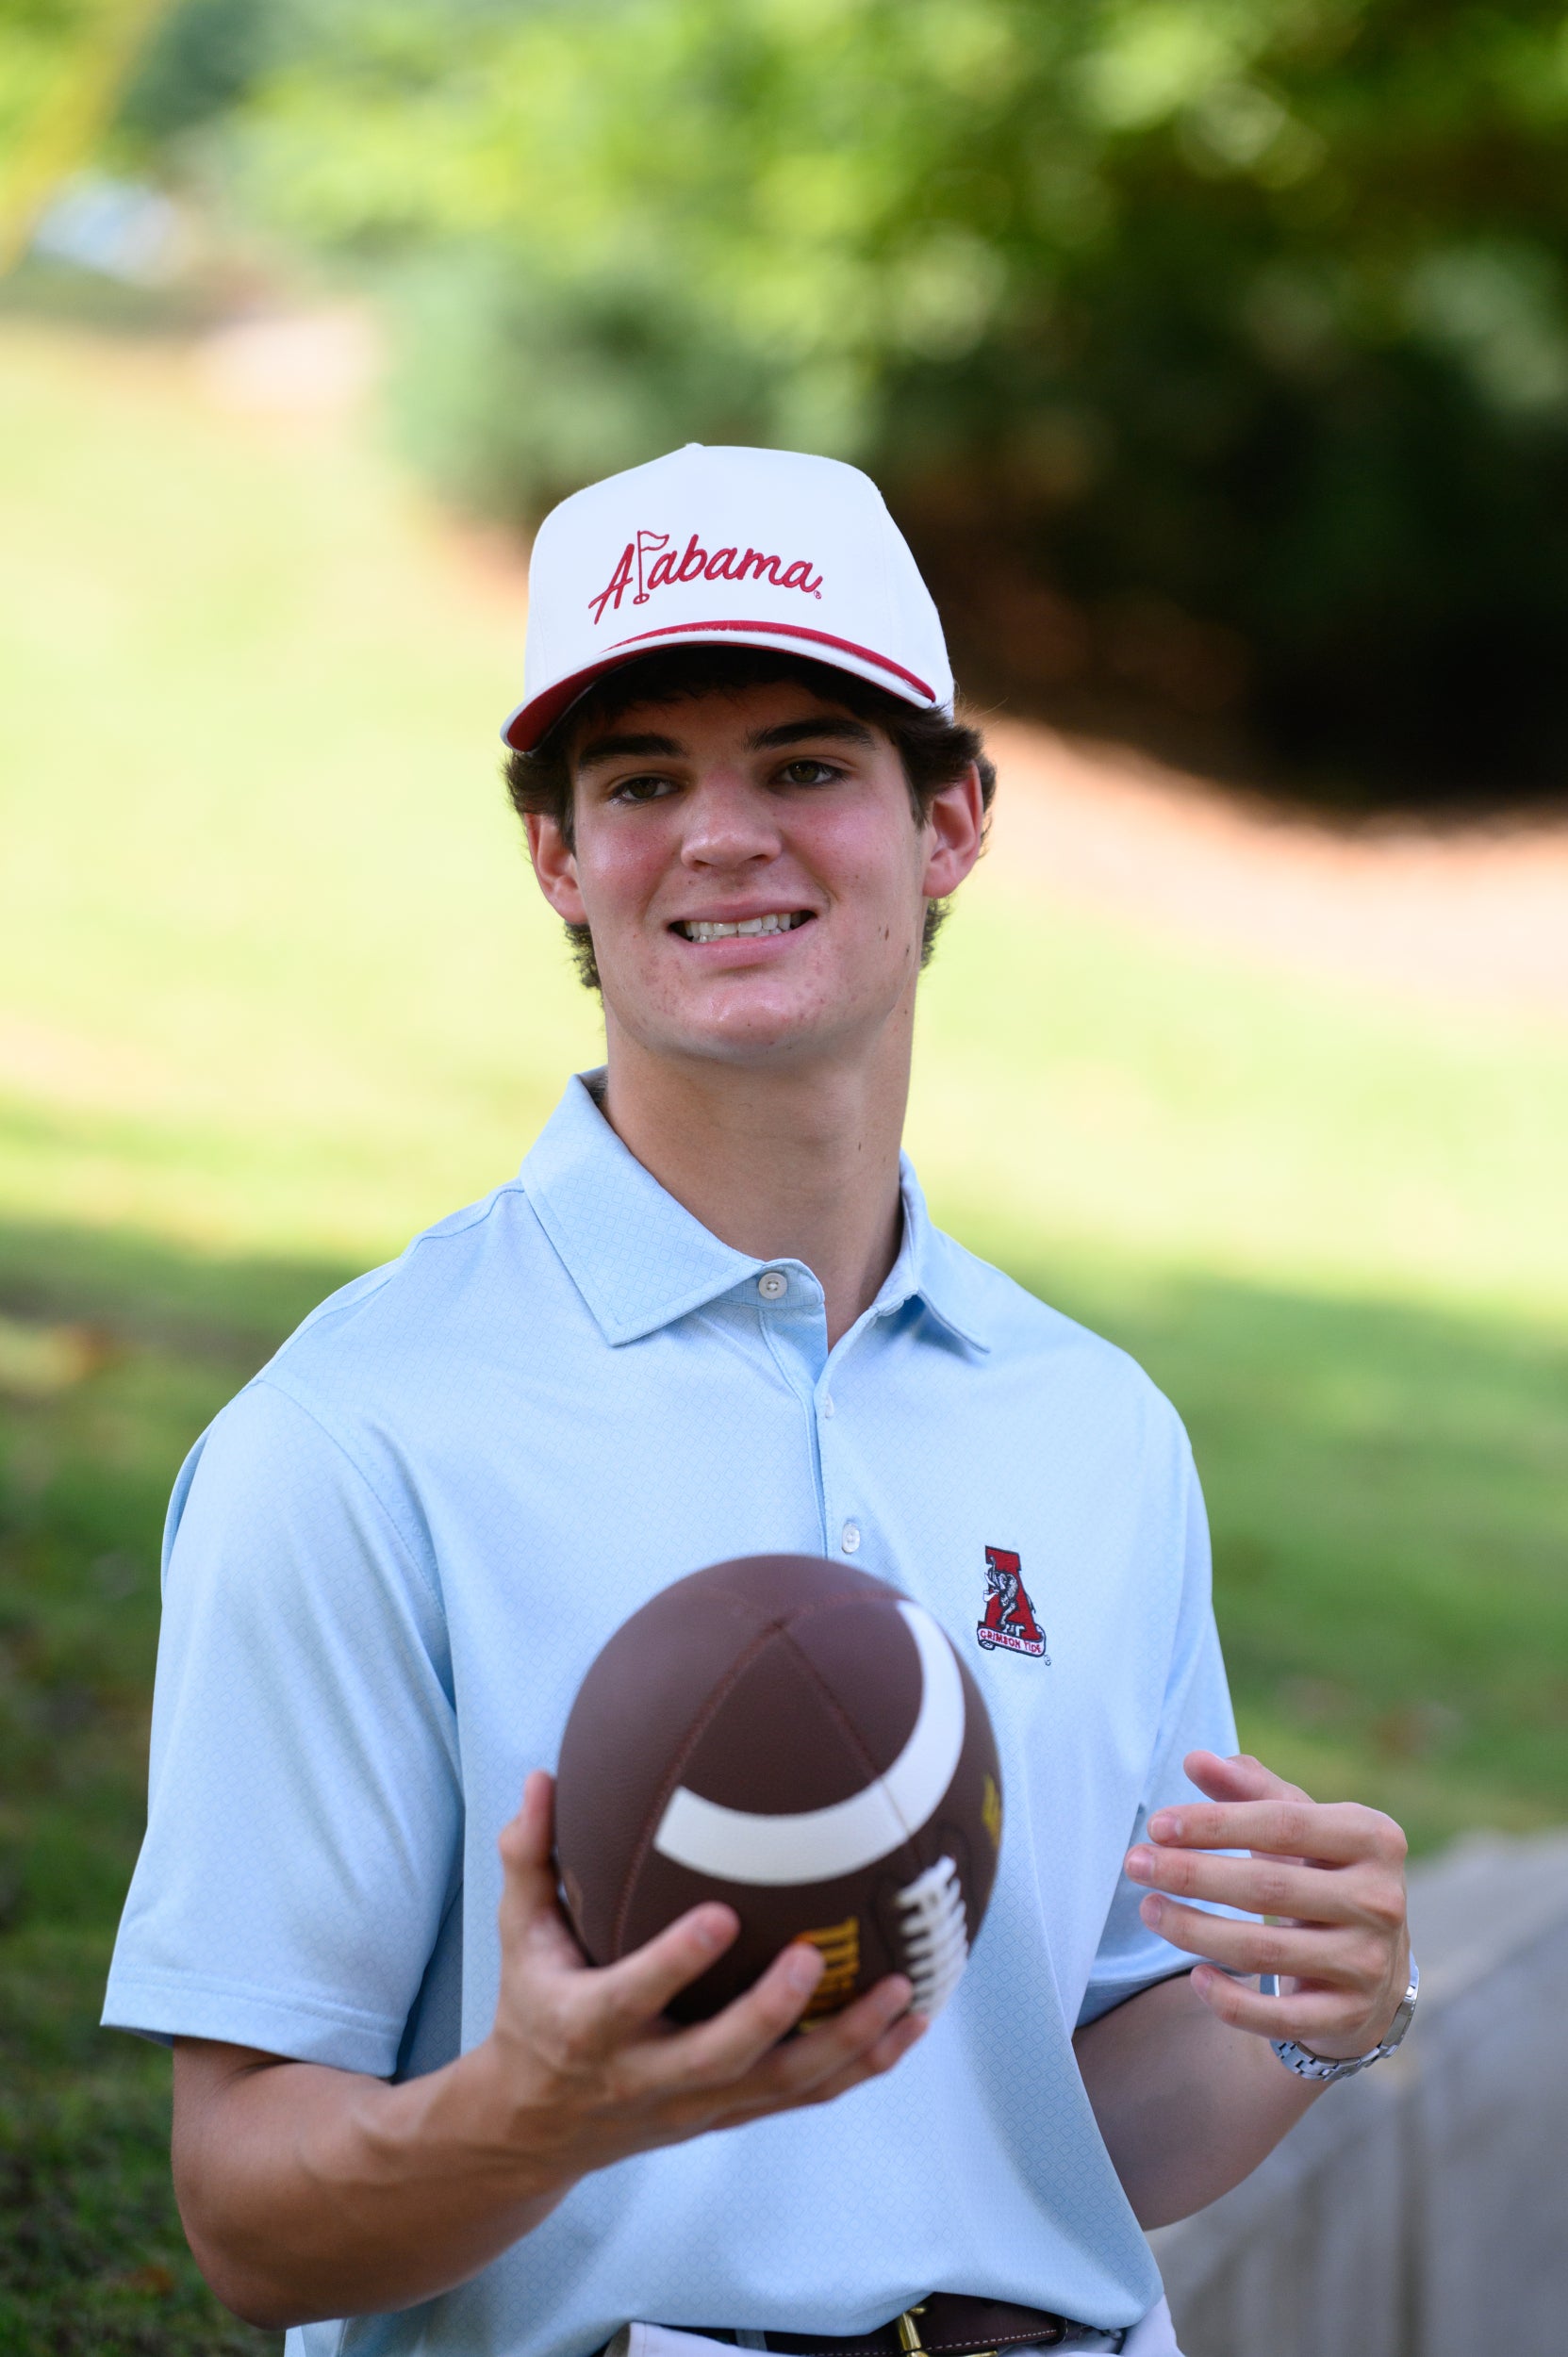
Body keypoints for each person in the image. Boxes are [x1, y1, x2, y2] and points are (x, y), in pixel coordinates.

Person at [104, 444, 1414, 2357]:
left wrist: (1315, 2000)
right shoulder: (355, 1437)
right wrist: (534, 2108)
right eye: (641, 781)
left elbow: (1081, 2124)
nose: (721, 834)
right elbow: (252, 2219)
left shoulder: (1094, 1424)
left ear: (950, 819)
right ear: (558, 855)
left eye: (803, 763)